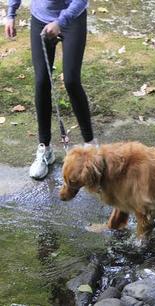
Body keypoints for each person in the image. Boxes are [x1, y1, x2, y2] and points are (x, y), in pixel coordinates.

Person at [4, 0, 96, 179]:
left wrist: (61, 22)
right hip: (41, 18)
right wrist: (11, 13)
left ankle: (91, 146)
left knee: (71, 80)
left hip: (73, 17)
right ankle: (45, 149)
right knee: (41, 81)